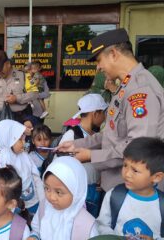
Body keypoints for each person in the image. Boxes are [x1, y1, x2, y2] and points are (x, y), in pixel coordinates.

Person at [58, 28, 164, 192]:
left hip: (133, 192)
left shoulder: (140, 91)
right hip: (117, 185)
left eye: (99, 60)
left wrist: (91, 155)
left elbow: (138, 148)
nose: (98, 67)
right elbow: (112, 134)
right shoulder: (125, 86)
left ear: (114, 54)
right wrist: (75, 144)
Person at [97, 137, 164, 239]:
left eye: (135, 170)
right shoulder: (114, 195)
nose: (127, 174)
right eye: (125, 165)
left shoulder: (161, 205)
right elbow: (102, 225)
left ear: (156, 177)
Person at [28, 156, 98, 240]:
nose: (51, 197)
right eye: (47, 188)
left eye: (59, 192)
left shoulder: (87, 225)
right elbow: (37, 230)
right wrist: (34, 236)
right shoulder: (44, 207)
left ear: (76, 192)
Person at [0, 119, 44, 214]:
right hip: (15, 208)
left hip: (33, 202)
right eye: (20, 139)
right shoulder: (2, 162)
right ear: (9, 140)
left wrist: (42, 200)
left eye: (23, 138)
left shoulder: (24, 155)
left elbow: (35, 177)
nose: (24, 143)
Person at [0, 50, 40, 123]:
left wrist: (17, 98)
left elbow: (35, 94)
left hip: (21, 118)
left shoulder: (23, 76)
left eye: (0, 69)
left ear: (8, 64)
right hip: (2, 117)